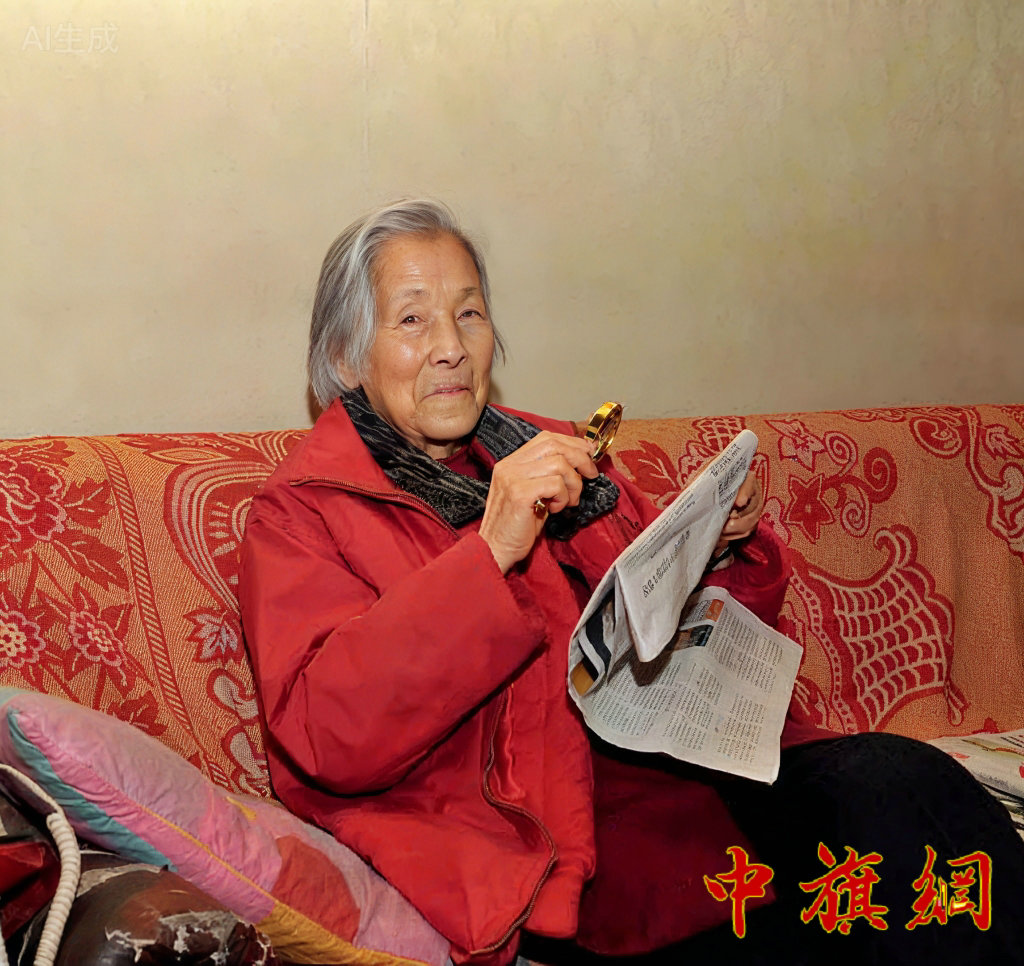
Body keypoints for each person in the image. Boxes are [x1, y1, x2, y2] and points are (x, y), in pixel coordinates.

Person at [239, 199, 1024, 966]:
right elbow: (325, 735)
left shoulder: (554, 451)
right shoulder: (303, 511)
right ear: (345, 359)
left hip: (685, 786)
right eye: (412, 319)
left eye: (469, 314)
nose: (450, 346)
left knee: (905, 787)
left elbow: (686, 634)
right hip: (540, 840)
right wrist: (491, 552)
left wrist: (719, 546)